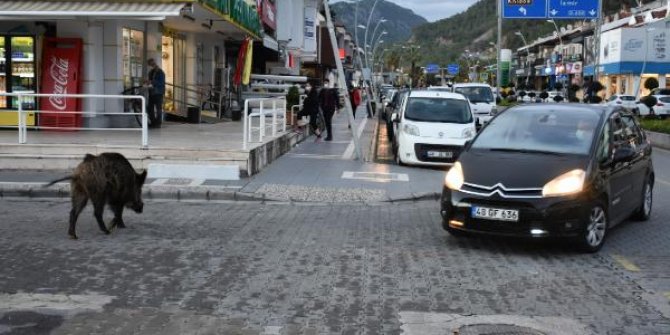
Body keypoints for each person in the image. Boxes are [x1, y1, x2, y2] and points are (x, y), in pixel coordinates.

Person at [146, 59, 166, 128]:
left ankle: (158, 123)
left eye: (152, 64)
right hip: (152, 92)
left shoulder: (160, 72)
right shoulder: (151, 72)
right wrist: (148, 83)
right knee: (149, 108)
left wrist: (151, 82)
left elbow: (161, 82)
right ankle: (153, 122)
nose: (151, 65)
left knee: (158, 108)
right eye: (150, 64)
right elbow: (151, 81)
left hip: (158, 92)